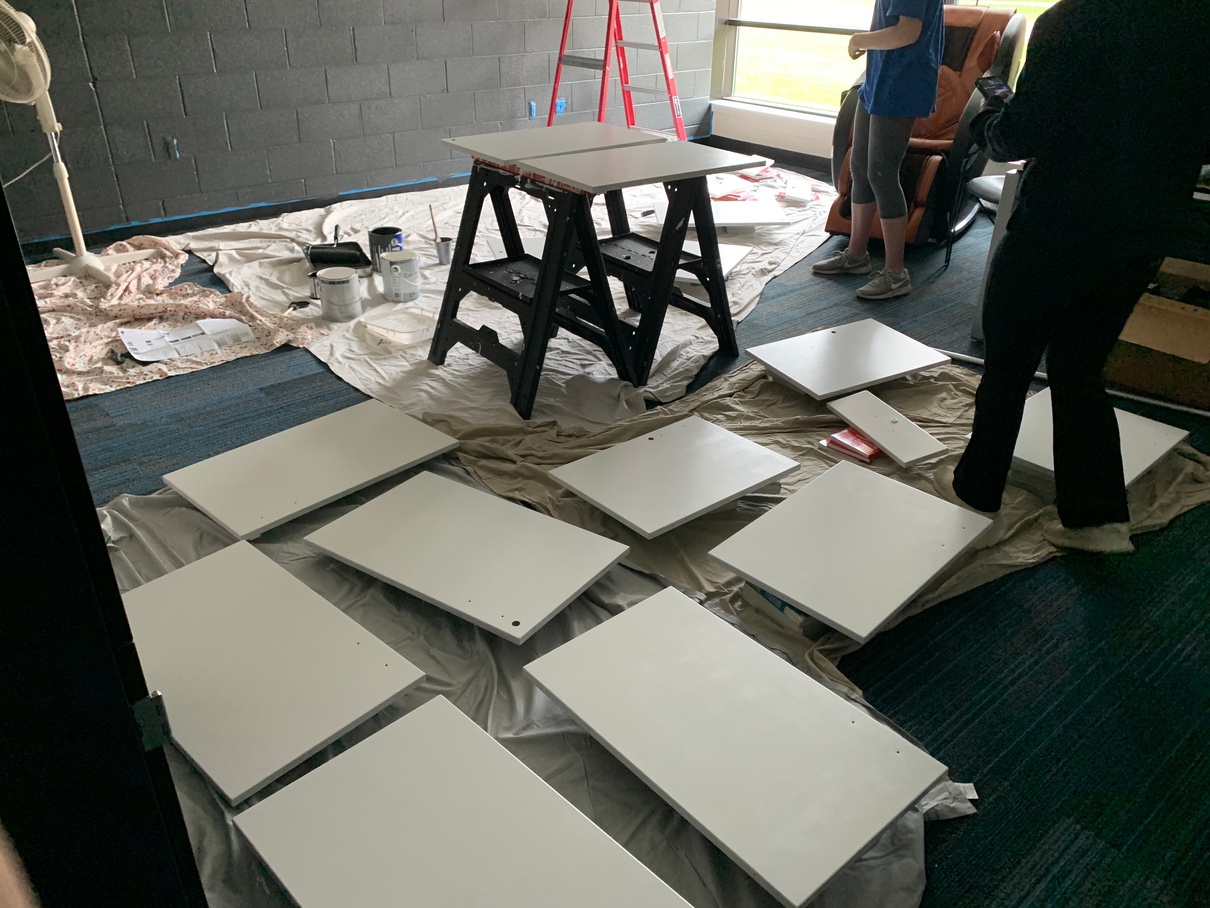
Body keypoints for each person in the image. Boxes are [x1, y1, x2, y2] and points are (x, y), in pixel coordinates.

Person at [934, 0, 1210, 553]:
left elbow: (1017, 136)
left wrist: (991, 99)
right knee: (1080, 365)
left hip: (1057, 222)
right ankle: (1096, 521)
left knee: (1009, 361)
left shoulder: (1071, 21)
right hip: (1144, 228)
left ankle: (977, 489)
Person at [811, 0, 944, 300]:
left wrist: (859, 40)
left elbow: (907, 32)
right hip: (878, 76)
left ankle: (896, 274)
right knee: (860, 168)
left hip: (901, 83)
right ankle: (856, 254)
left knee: (882, 173)